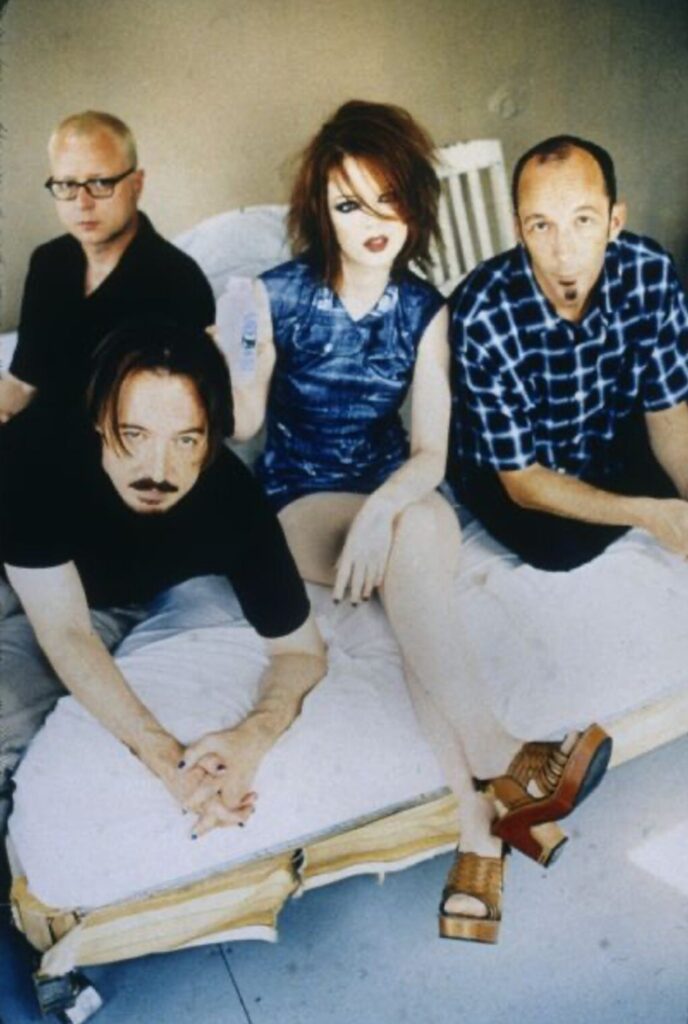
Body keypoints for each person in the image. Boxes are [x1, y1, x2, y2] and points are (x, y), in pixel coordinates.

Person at [226, 101, 610, 943]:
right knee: (419, 563)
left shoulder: (424, 308)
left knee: (417, 574)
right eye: (347, 203)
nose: (372, 222)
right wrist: (241, 359)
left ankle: (483, 826)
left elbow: (430, 453)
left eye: (388, 198)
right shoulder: (276, 295)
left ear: (416, 202)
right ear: (319, 211)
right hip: (296, 505)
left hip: (390, 493)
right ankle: (502, 755)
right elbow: (245, 428)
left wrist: (382, 514)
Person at [0, 320, 327, 891]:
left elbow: (302, 650)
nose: (158, 469)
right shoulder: (33, 457)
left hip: (87, 592)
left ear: (214, 436)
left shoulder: (230, 497)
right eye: (134, 434)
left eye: (186, 440)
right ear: (99, 421)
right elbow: (67, 634)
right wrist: (170, 761)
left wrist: (253, 737)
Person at [449, 134, 688, 571]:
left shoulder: (649, 271)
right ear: (518, 228)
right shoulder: (482, 312)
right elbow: (521, 481)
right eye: (542, 225)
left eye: (583, 220)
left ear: (615, 220)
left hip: (605, 436)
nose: (564, 251)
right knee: (559, 549)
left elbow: (669, 416)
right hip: (519, 468)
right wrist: (648, 513)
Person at [0, 110, 214, 423]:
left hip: (124, 452)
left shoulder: (179, 281)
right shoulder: (49, 262)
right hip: (43, 437)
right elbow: (25, 381)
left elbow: (179, 419)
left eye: (100, 183)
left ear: (137, 184)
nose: (82, 203)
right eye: (67, 185)